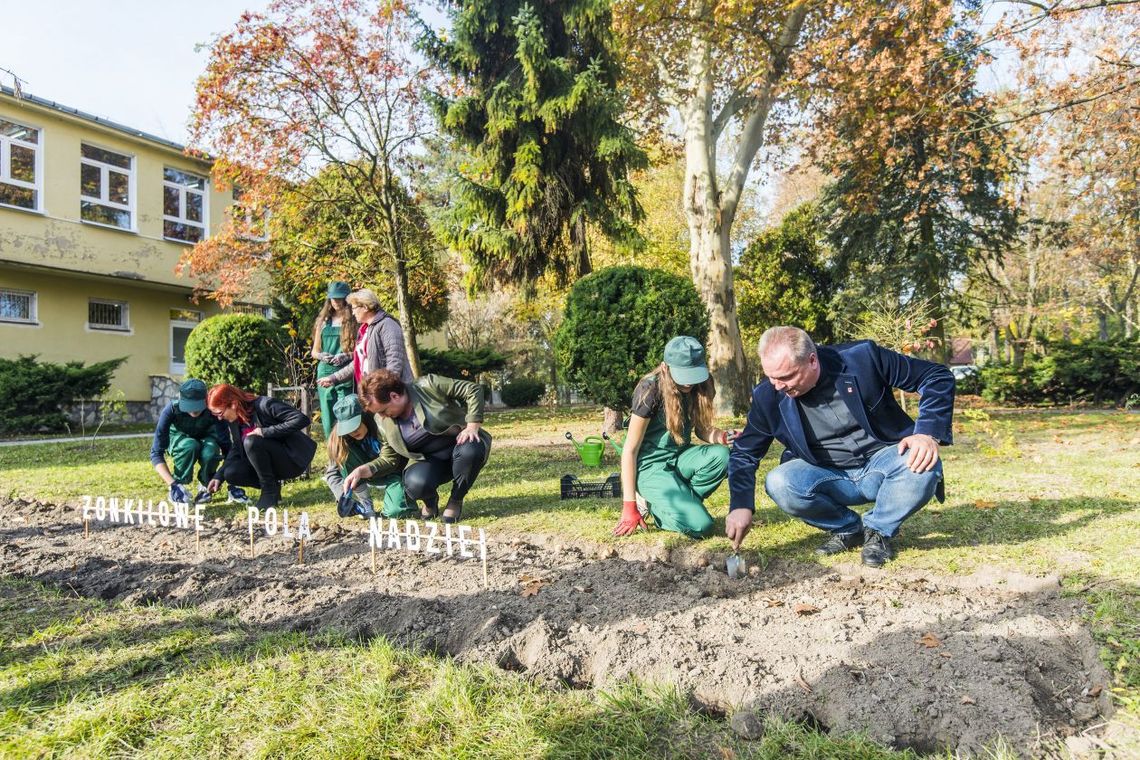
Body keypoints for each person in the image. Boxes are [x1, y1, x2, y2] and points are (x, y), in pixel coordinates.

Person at [726, 326, 954, 567]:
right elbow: (745, 454)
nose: (778, 386)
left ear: (812, 360)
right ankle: (848, 528)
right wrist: (740, 505)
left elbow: (936, 376)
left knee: (923, 465)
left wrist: (927, 433)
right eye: (772, 377)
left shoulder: (863, 358)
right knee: (779, 482)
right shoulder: (767, 397)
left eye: (786, 377)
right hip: (829, 475)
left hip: (885, 463)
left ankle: (878, 530)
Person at [613, 336, 734, 538]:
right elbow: (630, 450)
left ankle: (681, 504)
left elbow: (701, 430)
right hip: (650, 466)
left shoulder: (702, 384)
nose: (688, 382)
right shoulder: (650, 390)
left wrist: (723, 437)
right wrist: (629, 507)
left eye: (693, 374)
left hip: (680, 457)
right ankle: (653, 506)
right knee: (702, 527)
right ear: (665, 368)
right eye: (682, 374)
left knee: (723, 456)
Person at [345, 369, 490, 524]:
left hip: (460, 445)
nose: (382, 416)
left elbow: (472, 389)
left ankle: (456, 499)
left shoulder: (427, 385)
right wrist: (362, 470)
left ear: (394, 396)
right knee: (415, 484)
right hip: (430, 460)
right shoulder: (382, 422)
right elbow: (389, 459)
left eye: (383, 410)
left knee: (470, 450)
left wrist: (472, 425)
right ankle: (430, 502)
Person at [206, 384, 318, 509]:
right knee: (231, 473)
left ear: (233, 404)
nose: (220, 418)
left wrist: (265, 432)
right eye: (216, 415)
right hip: (265, 462)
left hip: (291, 459)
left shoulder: (264, 404)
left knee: (251, 441)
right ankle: (273, 487)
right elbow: (237, 448)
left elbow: (301, 419)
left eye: (220, 413)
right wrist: (219, 476)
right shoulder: (234, 420)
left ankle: (269, 492)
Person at [150, 378, 244, 504]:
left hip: (208, 436)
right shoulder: (171, 410)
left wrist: (232, 484)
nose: (193, 411)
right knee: (190, 446)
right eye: (189, 406)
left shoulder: (214, 411)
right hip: (180, 438)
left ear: (206, 401)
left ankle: (206, 486)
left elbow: (227, 449)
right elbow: (156, 453)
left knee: (210, 450)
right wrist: (173, 485)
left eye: (197, 406)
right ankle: (180, 487)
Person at [324, 393, 416, 519]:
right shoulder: (340, 438)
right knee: (342, 452)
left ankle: (403, 495)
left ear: (365, 415)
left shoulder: (383, 422)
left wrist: (363, 470)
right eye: (348, 428)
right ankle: (366, 504)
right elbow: (332, 473)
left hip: (395, 470)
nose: (353, 431)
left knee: (395, 512)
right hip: (366, 475)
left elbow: (391, 460)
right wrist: (343, 497)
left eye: (355, 425)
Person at [317, 288, 412, 396]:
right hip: (374, 393)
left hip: (391, 394)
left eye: (354, 308)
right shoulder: (365, 329)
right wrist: (334, 378)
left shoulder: (387, 325)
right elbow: (358, 362)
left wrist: (385, 391)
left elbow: (395, 361)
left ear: (365, 307)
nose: (353, 312)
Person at [311, 280, 357, 439]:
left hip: (346, 372)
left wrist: (347, 355)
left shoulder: (354, 320)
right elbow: (314, 351)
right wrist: (321, 355)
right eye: (333, 298)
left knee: (347, 412)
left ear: (347, 299)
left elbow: (361, 351)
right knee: (328, 414)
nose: (336, 301)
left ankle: (349, 449)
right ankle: (333, 451)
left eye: (339, 298)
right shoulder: (322, 322)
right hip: (325, 371)